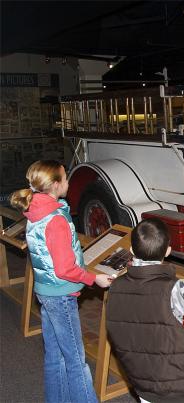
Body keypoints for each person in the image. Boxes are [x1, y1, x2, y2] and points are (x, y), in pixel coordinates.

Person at [10, 160, 113, 403]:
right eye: (66, 178)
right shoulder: (55, 219)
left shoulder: (36, 211)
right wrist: (93, 278)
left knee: (54, 356)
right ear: (56, 185)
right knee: (77, 362)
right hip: (60, 295)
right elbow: (65, 268)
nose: (68, 182)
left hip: (46, 291)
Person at [105, 218, 184, 403]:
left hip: (141, 380)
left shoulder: (116, 286)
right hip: (176, 386)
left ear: (132, 250)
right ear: (168, 251)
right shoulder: (172, 291)